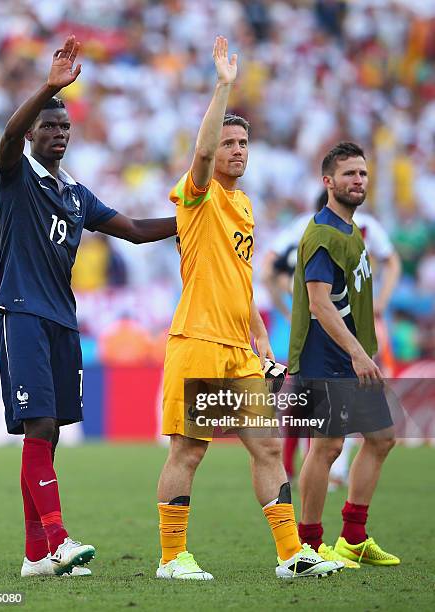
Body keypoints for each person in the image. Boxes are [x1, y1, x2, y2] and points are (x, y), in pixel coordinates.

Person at [155, 36, 342, 581]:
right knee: (189, 452)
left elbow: (237, 278)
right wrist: (223, 85)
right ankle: (172, 558)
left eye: (243, 142)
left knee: (265, 447)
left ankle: (290, 555)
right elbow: (203, 154)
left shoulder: (244, 205)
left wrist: (260, 333)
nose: (236, 149)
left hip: (240, 347)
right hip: (197, 339)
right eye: (229, 141)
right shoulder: (199, 194)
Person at [0, 35, 177, 578]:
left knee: (47, 433)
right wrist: (49, 85)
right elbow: (5, 137)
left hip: (62, 321)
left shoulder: (76, 194)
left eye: (66, 127)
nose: (59, 134)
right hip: (22, 311)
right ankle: (57, 539)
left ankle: (35, 558)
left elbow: (138, 231)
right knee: (39, 424)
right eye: (49, 126)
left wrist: (195, 219)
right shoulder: (16, 174)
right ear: (32, 134)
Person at [288, 142, 400, 568]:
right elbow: (319, 304)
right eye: (349, 174)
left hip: (355, 357)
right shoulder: (323, 235)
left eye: (363, 174)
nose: (358, 181)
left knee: (382, 439)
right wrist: (356, 352)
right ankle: (310, 546)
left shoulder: (352, 230)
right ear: (327, 182)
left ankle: (353, 538)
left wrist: (362, 351)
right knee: (327, 448)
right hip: (326, 359)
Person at [263, 190, 401, 486]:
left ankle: (300, 467)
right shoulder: (351, 227)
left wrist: (287, 301)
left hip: (320, 328)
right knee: (324, 402)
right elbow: (392, 261)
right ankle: (319, 470)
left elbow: (269, 270)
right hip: (325, 327)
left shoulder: (334, 227)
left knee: (307, 403)